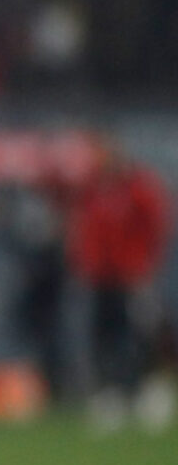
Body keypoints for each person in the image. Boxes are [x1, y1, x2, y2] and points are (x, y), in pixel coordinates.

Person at [66, 136, 173, 431]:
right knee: (104, 335)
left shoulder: (138, 187)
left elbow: (156, 226)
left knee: (141, 334)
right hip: (101, 277)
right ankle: (109, 393)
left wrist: (143, 265)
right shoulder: (93, 189)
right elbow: (84, 230)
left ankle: (149, 391)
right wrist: (86, 265)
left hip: (132, 276)